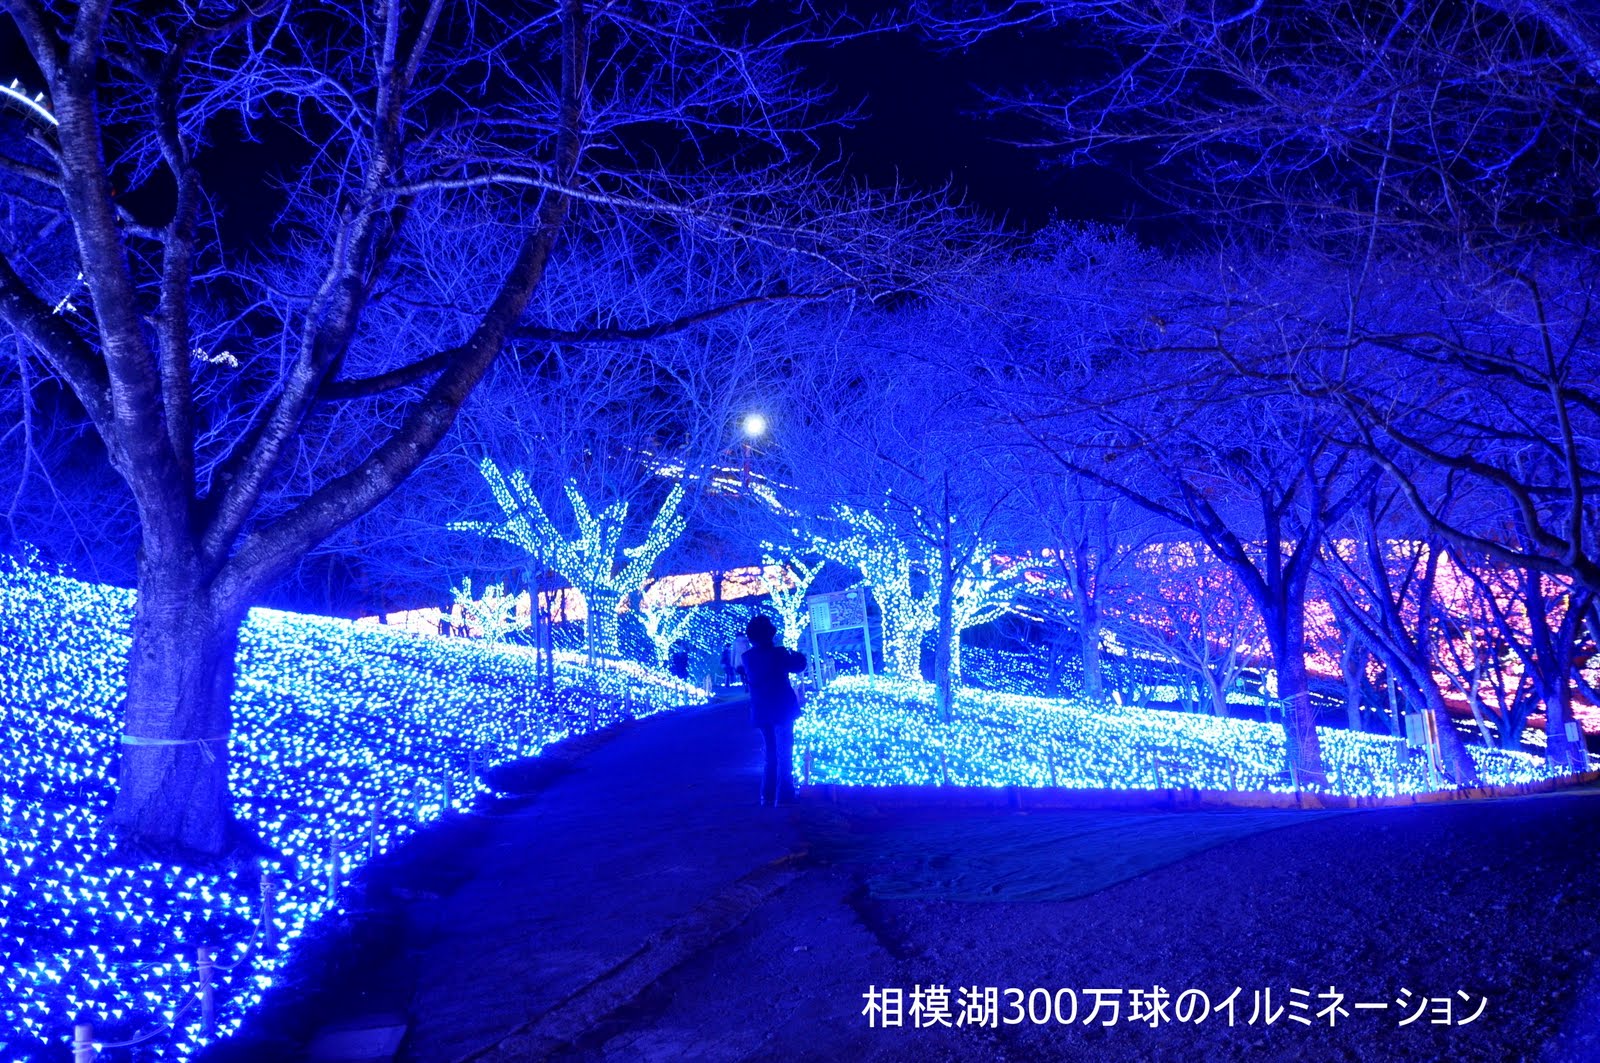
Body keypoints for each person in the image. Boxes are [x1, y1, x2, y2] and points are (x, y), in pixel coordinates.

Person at [740, 615, 807, 807]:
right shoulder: (779, 654)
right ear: (770, 634)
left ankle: (767, 795)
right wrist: (797, 655)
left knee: (770, 753)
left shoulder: (747, 658)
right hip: (782, 708)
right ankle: (785, 795)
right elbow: (798, 666)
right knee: (785, 752)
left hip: (761, 710)